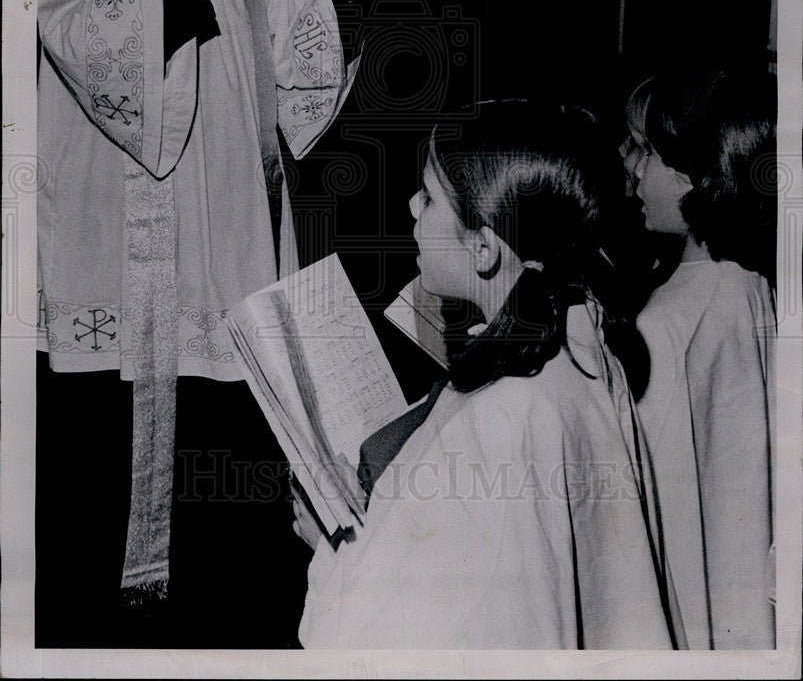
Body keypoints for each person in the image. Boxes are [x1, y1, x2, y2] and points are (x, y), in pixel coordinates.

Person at [37, 0, 361, 645]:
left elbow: (299, 100)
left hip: (230, 247)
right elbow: (87, 45)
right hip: (124, 255)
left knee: (230, 462)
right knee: (105, 472)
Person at [293, 100, 684, 649]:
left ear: (482, 248)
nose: (410, 207)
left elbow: (409, 640)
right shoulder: (582, 341)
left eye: (429, 198)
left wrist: (331, 547)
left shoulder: (505, 414)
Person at [633, 68, 776, 649]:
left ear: (701, 176)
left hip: (697, 623)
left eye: (651, 154)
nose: (635, 168)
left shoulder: (663, 325)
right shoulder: (749, 281)